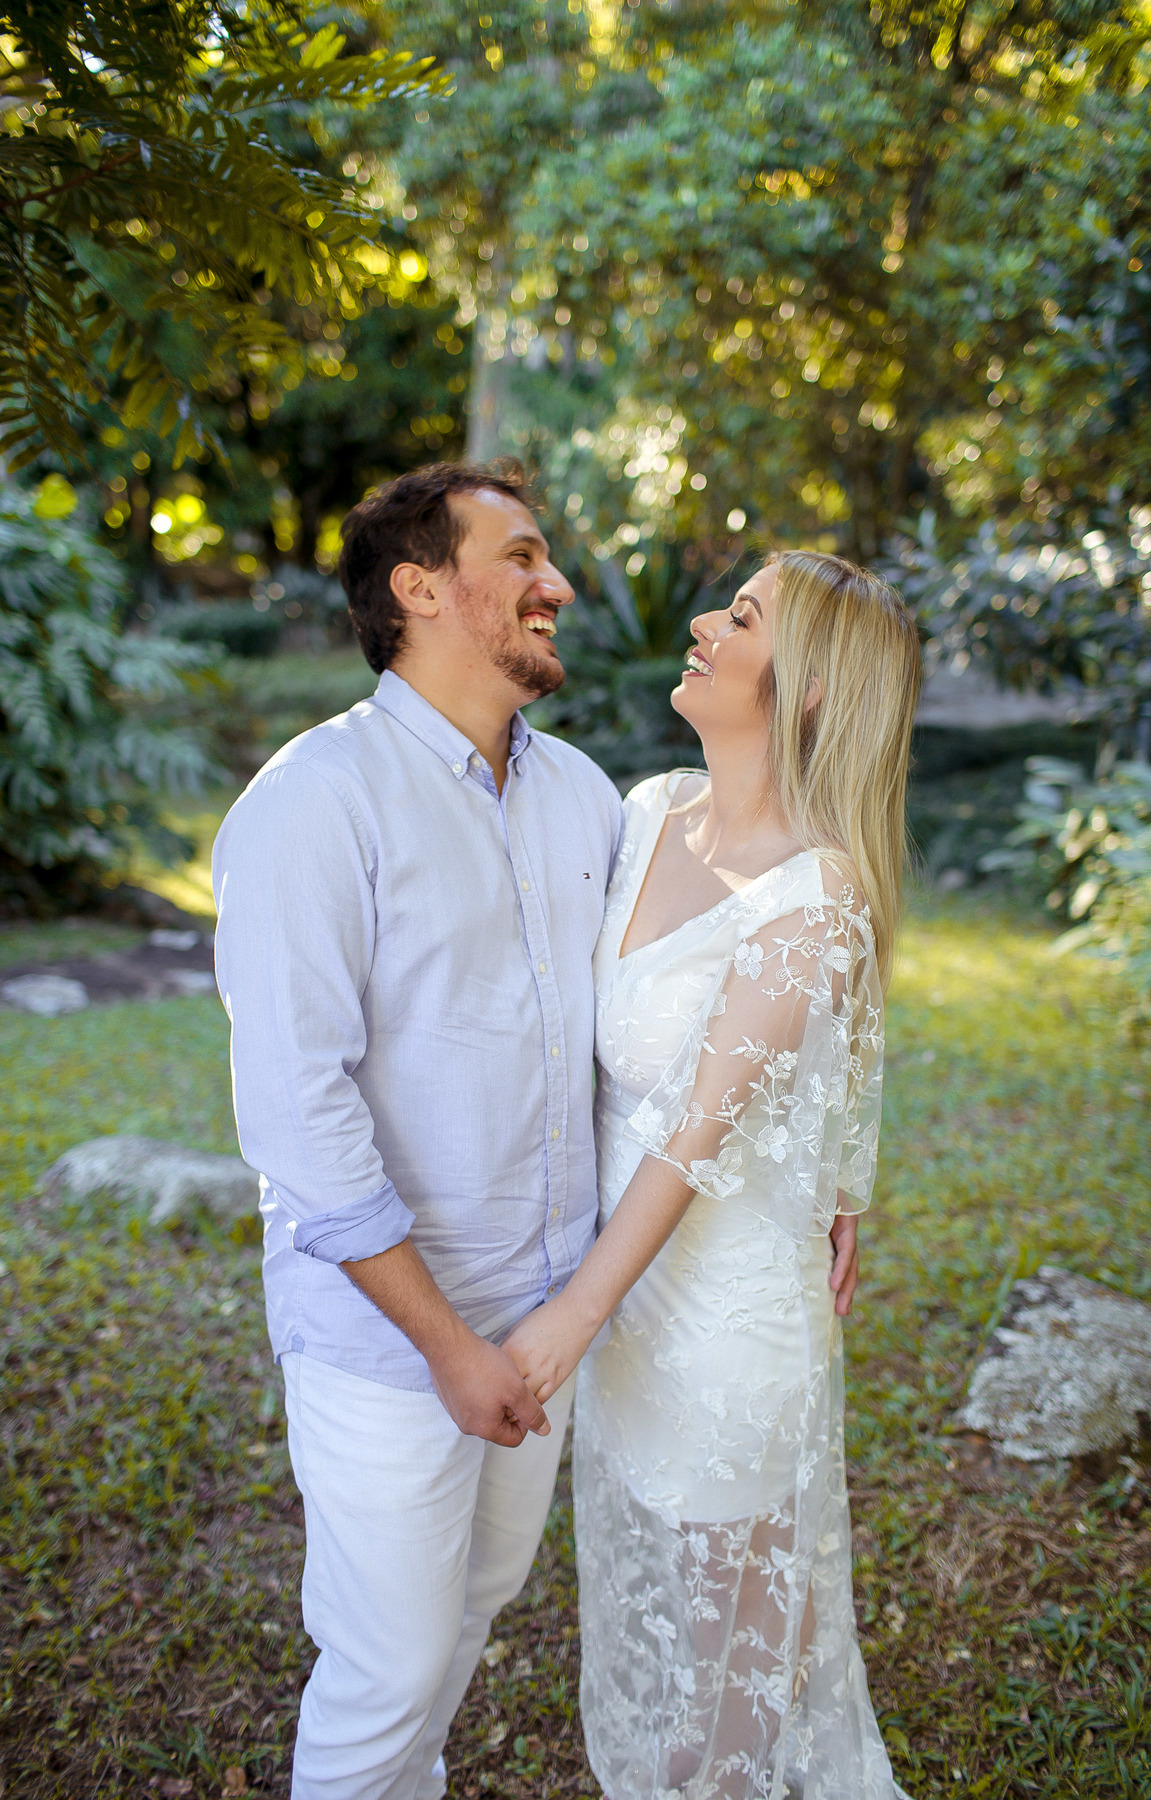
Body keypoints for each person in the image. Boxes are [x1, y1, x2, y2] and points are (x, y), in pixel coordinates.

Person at [211, 462, 624, 1800]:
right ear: (421, 588)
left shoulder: (588, 800)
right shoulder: (312, 800)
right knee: (385, 1669)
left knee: (466, 1624)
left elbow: (648, 1042)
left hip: (542, 1326)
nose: (557, 585)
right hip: (390, 1349)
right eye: (523, 557)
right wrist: (446, 1348)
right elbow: (297, 1113)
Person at [504, 551, 922, 1800]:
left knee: (742, 1652)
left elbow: (698, 1127)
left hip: (727, 1315)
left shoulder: (819, 895)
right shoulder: (645, 811)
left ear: (806, 689)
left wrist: (570, 1313)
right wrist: (845, 1176)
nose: (702, 622)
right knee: (661, 1615)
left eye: (740, 617)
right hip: (630, 1294)